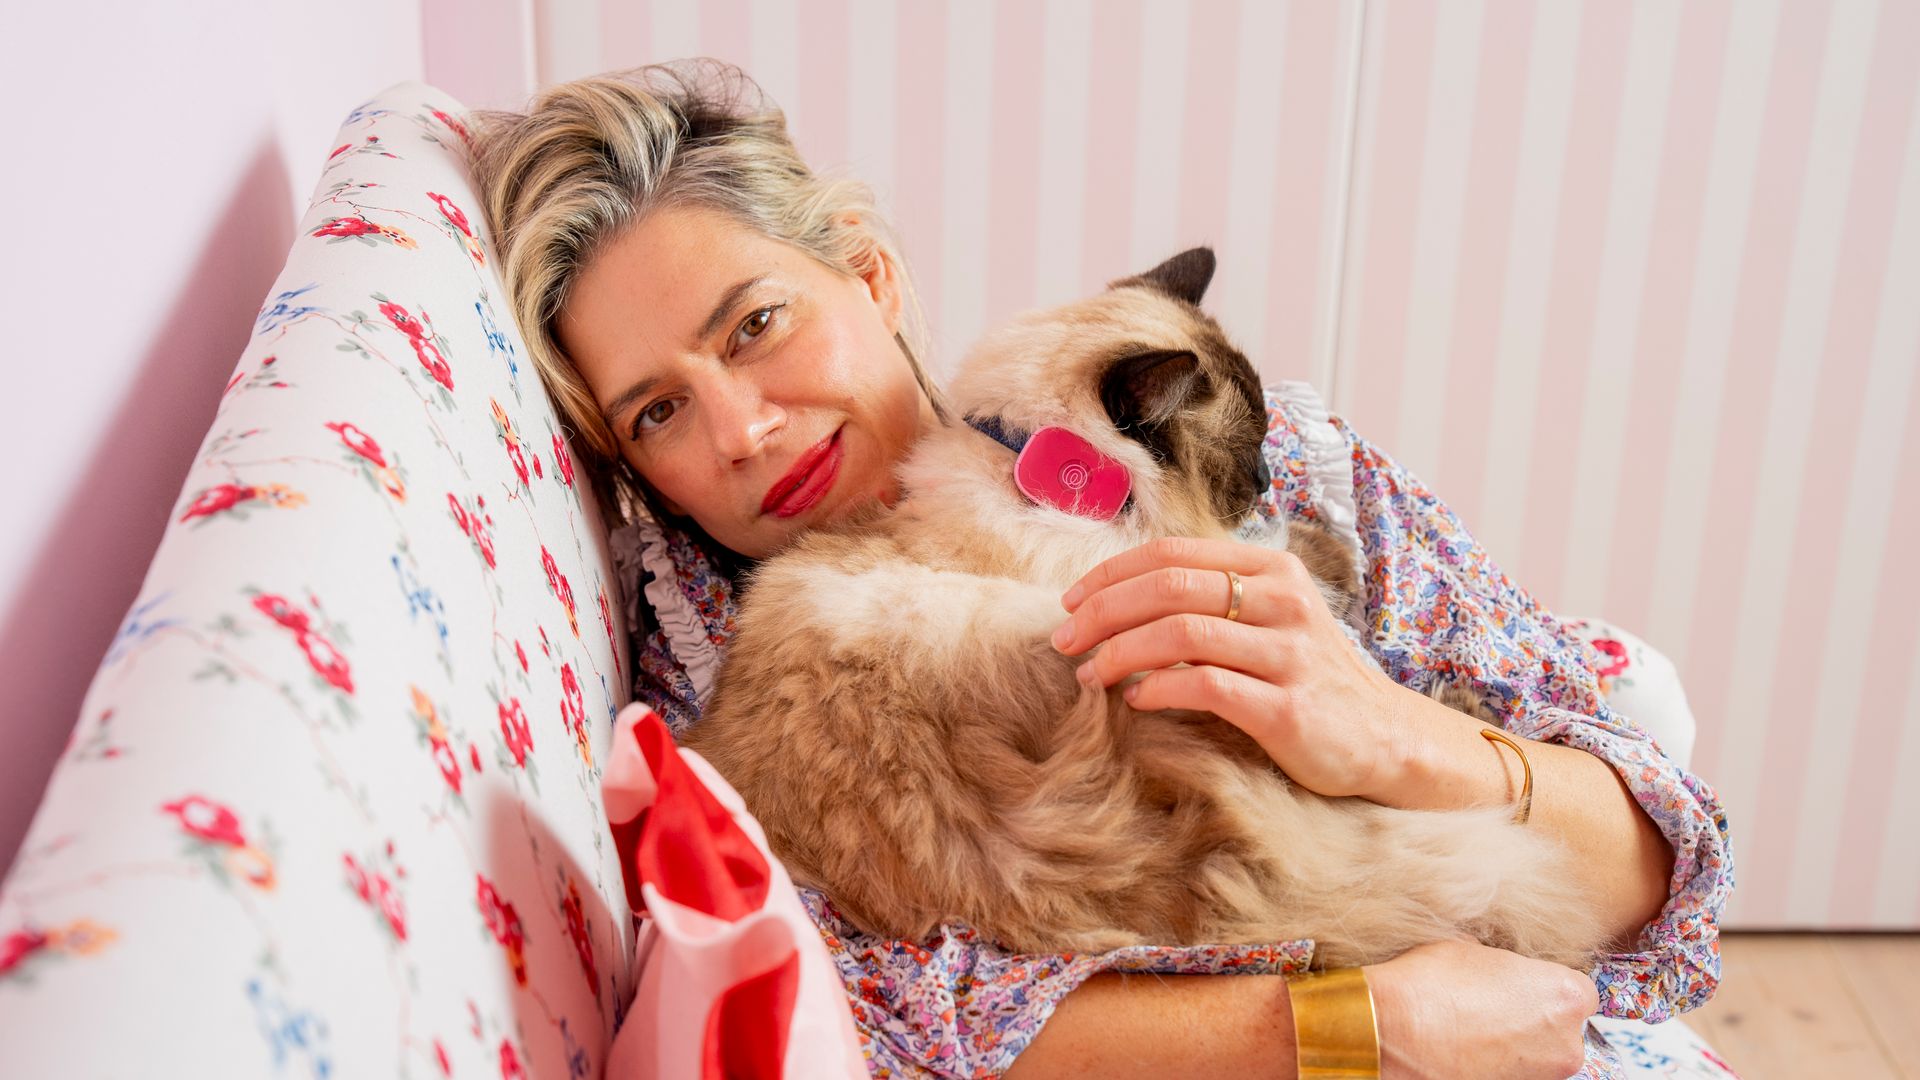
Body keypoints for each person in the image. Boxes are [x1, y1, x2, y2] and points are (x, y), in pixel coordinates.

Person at [470, 60, 1734, 1080]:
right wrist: (1352, 1027)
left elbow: (1664, 879)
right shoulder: (695, 678)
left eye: (756, 325)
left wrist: (1402, 738)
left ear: (869, 268)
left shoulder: (1264, 452)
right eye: (656, 413)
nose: (741, 428)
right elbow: (875, 1023)